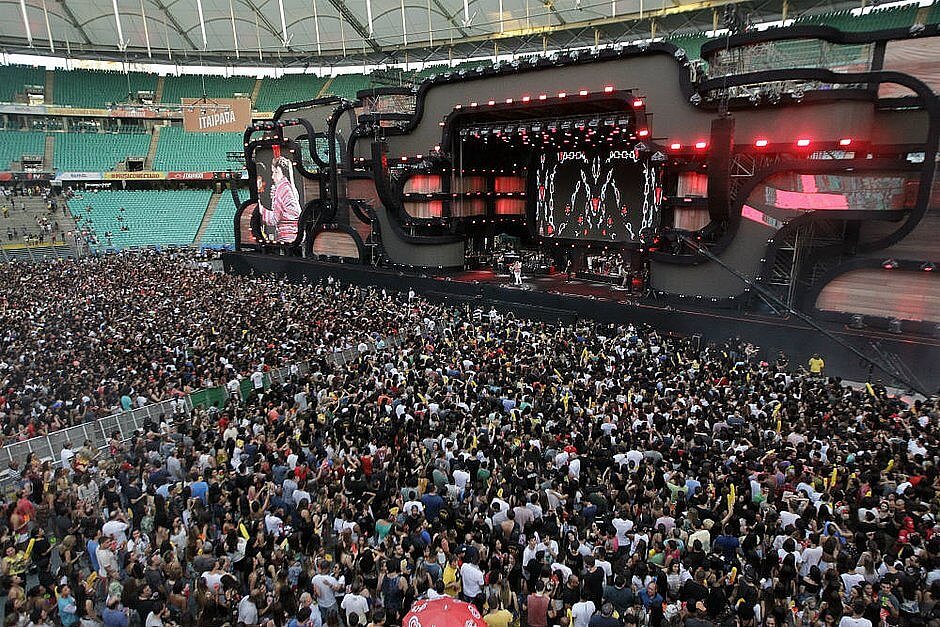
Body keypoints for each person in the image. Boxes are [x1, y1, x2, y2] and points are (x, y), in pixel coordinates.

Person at [257, 156, 302, 243]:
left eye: (276, 172)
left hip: (288, 235)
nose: (273, 176)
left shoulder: (282, 189)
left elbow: (274, 219)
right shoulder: (289, 187)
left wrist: (261, 209)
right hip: (294, 234)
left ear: (284, 173)